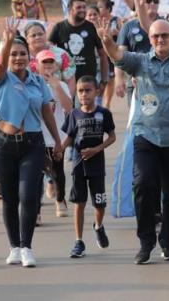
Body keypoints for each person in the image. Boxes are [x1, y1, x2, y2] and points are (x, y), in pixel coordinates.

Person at [98, 18, 169, 264]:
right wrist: (107, 42)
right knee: (144, 185)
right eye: (155, 36)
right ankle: (146, 242)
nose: (159, 40)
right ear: (150, 39)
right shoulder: (141, 61)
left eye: (165, 36)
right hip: (146, 135)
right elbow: (117, 55)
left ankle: (168, 242)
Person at [0, 19, 64, 268]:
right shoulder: (1, 78)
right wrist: (8, 40)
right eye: (14, 54)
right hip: (4, 145)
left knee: (28, 195)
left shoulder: (37, 81)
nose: (18, 58)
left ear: (29, 57)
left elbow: (46, 112)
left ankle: (27, 247)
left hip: (32, 143)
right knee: (10, 198)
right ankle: (14, 247)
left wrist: (57, 140)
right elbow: (1, 63)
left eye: (22, 54)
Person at [62, 76, 116, 258]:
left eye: (88, 90)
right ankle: (79, 241)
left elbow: (112, 137)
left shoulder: (104, 113)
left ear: (96, 91)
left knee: (99, 203)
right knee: (79, 203)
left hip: (97, 166)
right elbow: (69, 137)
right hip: (78, 166)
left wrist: (96, 149)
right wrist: (59, 149)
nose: (84, 94)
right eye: (80, 91)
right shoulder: (74, 114)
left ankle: (98, 226)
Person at [36, 50, 71, 221]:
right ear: (37, 65)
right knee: (35, 174)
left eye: (51, 62)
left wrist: (56, 86)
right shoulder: (33, 83)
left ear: (56, 65)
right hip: (37, 137)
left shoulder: (61, 86)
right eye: (44, 62)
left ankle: (60, 199)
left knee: (57, 172)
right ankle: (36, 210)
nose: (48, 65)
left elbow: (69, 108)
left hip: (57, 137)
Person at [48, 0, 108, 89]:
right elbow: (48, 53)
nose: (83, 10)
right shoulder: (59, 28)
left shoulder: (92, 27)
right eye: (79, 7)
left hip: (88, 82)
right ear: (70, 10)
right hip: (65, 81)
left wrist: (104, 80)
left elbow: (103, 55)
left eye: (84, 7)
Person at [24, 21, 76, 95]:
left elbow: (70, 81)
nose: (38, 37)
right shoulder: (22, 55)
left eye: (40, 34)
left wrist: (67, 101)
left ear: (45, 35)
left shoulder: (61, 54)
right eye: (33, 35)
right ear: (27, 39)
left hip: (57, 100)